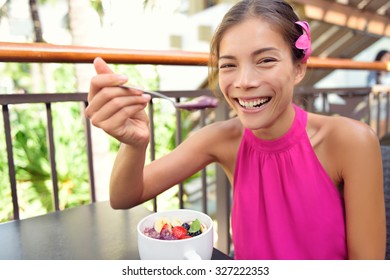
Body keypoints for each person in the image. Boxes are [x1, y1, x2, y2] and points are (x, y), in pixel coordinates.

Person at [85, 0, 386, 260]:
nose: (244, 81)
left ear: (298, 68)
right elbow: (125, 197)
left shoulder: (350, 141)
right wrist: (135, 143)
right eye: (229, 65)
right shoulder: (222, 138)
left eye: (265, 60)